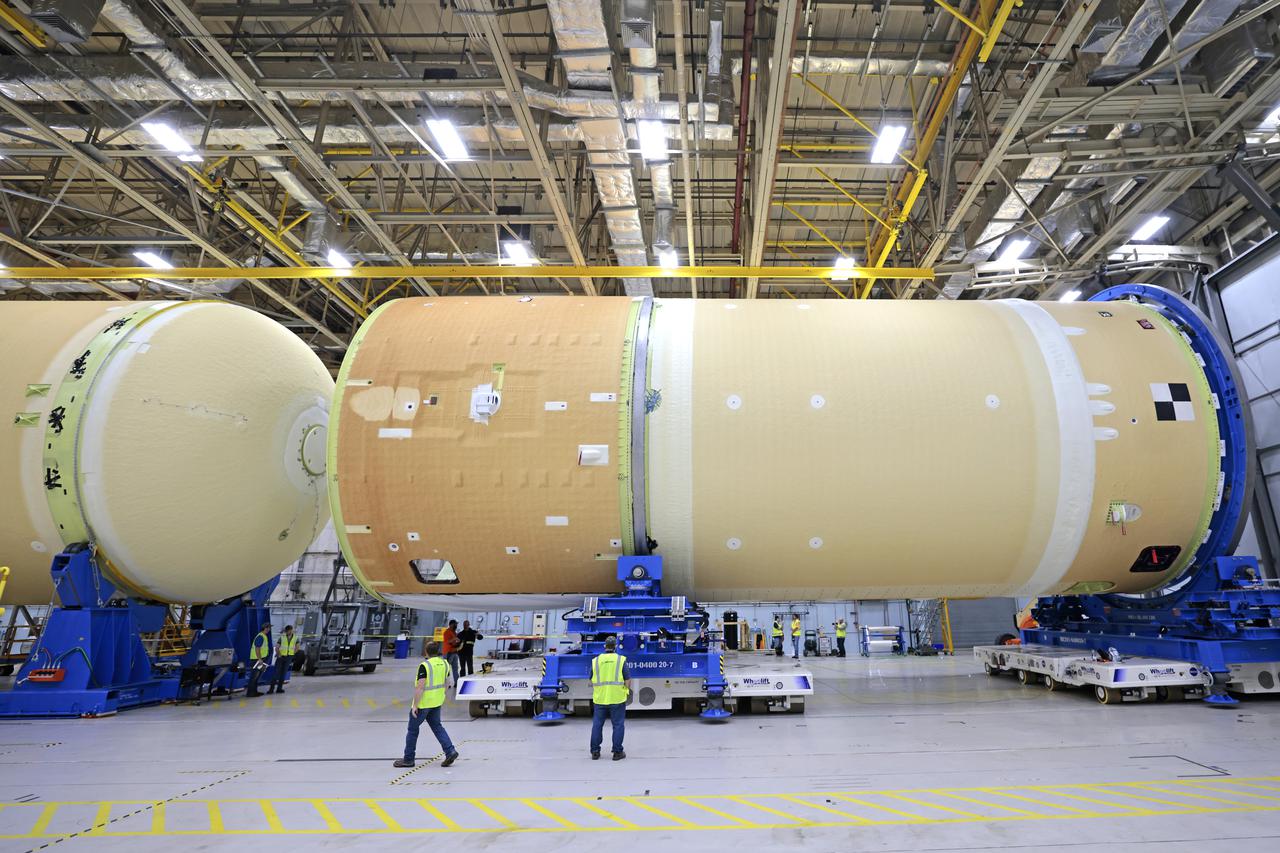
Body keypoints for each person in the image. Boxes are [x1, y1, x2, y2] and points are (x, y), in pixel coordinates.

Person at [394, 641, 459, 769]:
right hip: (437, 702)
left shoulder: (425, 666)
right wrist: (442, 695)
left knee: (412, 730)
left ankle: (408, 759)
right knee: (437, 727)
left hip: (423, 704)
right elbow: (449, 683)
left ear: (426, 651)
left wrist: (415, 706)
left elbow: (420, 687)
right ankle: (450, 751)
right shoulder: (445, 664)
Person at [589, 636, 632, 761]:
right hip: (617, 698)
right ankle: (617, 753)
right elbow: (627, 680)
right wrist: (625, 691)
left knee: (597, 725)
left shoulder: (596, 661)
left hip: (600, 698)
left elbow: (591, 678)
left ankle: (595, 752)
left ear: (604, 646)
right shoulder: (621, 660)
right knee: (618, 725)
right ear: (616, 647)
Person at [269, 624, 298, 694]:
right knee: (276, 673)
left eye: (290, 630)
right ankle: (271, 689)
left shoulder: (295, 638)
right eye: (288, 631)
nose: (289, 632)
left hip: (288, 657)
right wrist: (278, 654)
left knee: (283, 673)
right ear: (286, 631)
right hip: (281, 657)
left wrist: (292, 653)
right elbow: (277, 647)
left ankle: (279, 688)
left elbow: (297, 647)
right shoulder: (282, 637)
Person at [246, 621, 272, 697]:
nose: (269, 629)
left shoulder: (264, 636)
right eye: (268, 627)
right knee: (254, 677)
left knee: (257, 677)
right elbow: (257, 648)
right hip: (257, 660)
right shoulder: (260, 636)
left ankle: (254, 691)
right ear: (265, 628)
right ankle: (250, 693)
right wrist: (259, 659)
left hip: (261, 659)